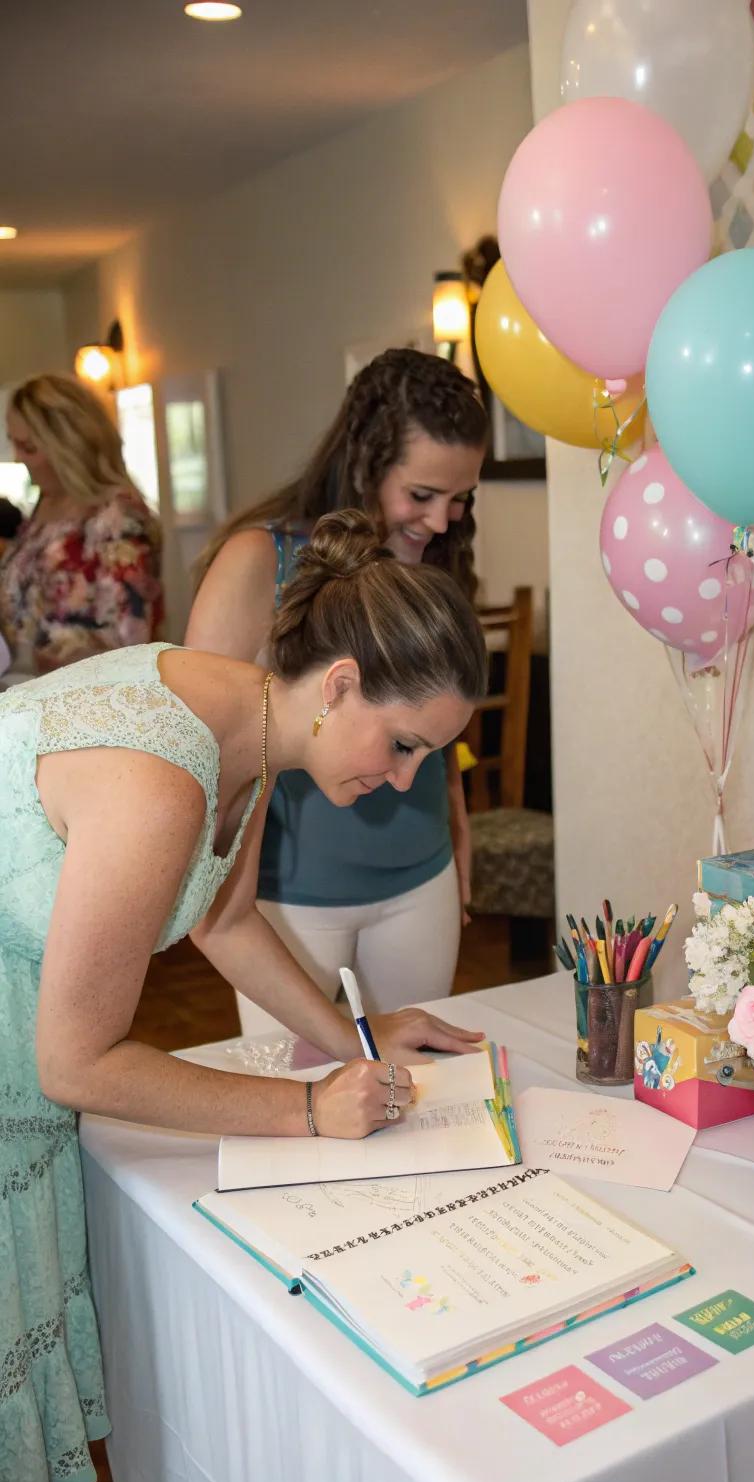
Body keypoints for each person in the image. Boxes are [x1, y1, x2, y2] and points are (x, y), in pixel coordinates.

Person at [0, 509, 487, 1482]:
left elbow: (222, 915)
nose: (405, 780)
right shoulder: (159, 779)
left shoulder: (253, 728)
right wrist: (306, 1109)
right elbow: (75, 1062)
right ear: (342, 681)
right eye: (402, 746)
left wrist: (357, 1038)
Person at [187, 348, 488, 1037]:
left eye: (460, 498)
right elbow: (207, 746)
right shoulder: (258, 562)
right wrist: (218, 902)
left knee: (415, 1088)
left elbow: (435, 723)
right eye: (421, 496)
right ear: (365, 463)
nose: (442, 521)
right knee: (297, 1088)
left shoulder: (438, 561)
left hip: (420, 880)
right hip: (291, 897)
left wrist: (460, 836)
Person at [0, 373, 163, 680]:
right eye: (14, 443)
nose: (18, 458)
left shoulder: (119, 520)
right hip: (21, 693)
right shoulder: (44, 505)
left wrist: (28, 659)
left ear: (68, 446)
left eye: (29, 447)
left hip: (79, 706)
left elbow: (128, 644)